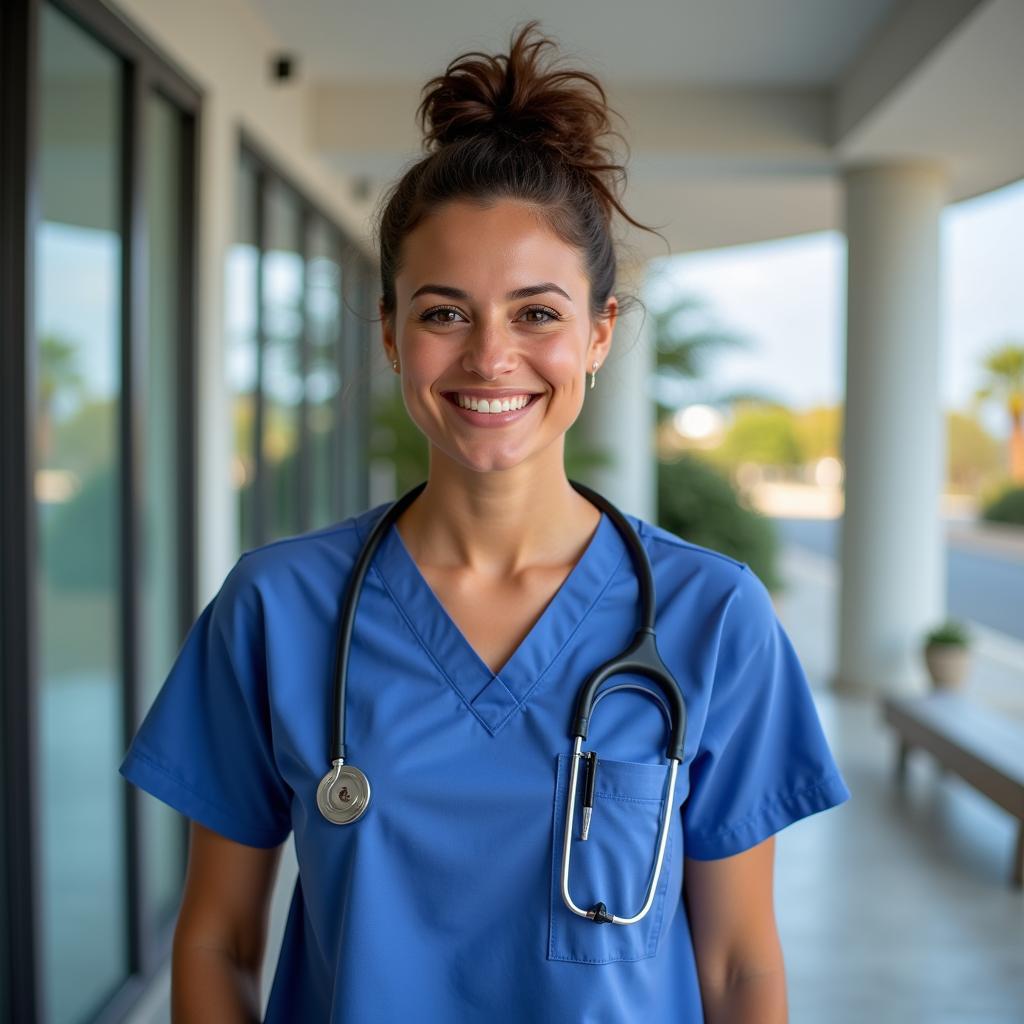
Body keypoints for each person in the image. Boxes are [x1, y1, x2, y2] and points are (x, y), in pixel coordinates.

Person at [119, 19, 851, 1023]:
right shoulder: (277, 606)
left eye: (537, 313)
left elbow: (737, 967)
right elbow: (215, 939)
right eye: (443, 311)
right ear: (390, 332)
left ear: (599, 332)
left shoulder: (711, 615)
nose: (489, 357)